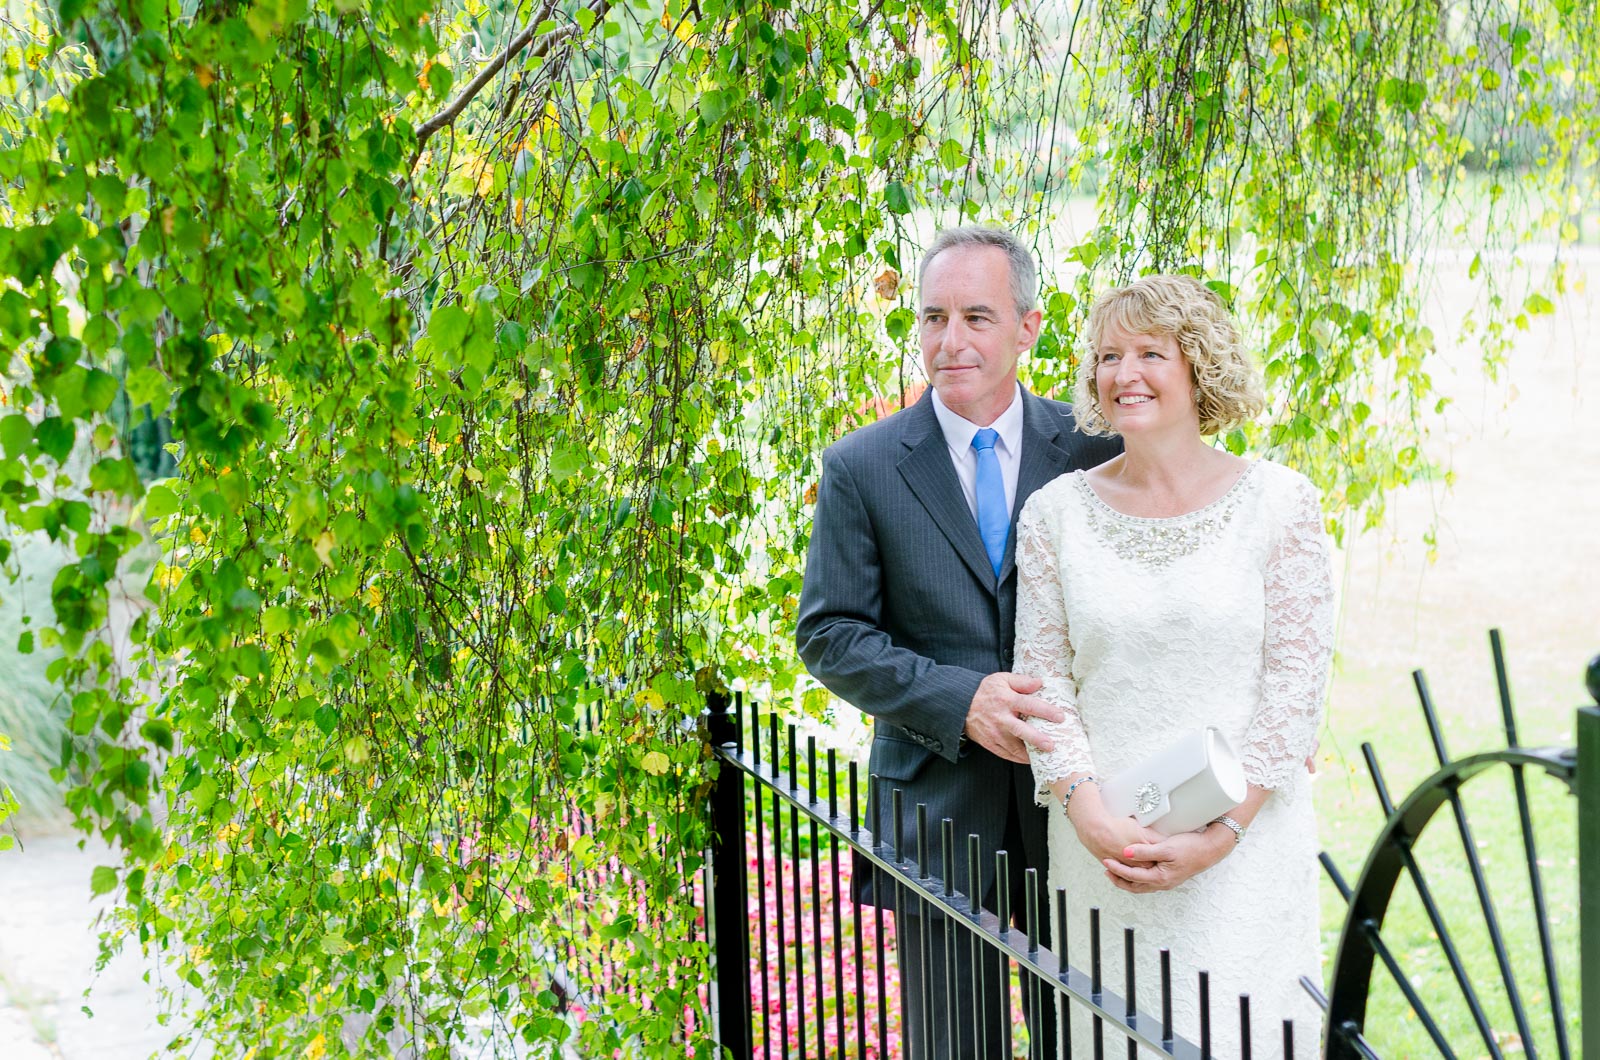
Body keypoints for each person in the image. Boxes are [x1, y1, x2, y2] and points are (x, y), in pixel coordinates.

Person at [796, 226, 1121, 1059]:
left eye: (978, 317)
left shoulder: (1094, 451)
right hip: (937, 813)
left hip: (1079, 809)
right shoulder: (860, 468)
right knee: (954, 1046)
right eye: (934, 317)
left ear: (1029, 327)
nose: (951, 341)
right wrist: (960, 700)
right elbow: (829, 634)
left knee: (1083, 1038)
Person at [1016, 274, 1334, 1057]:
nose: (1124, 374)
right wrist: (1087, 812)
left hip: (1246, 850)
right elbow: (1044, 679)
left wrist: (1224, 830)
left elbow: (1297, 685)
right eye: (1108, 356)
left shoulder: (1281, 504)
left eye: (1150, 353)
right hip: (1104, 850)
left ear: (1199, 368)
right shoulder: (1055, 515)